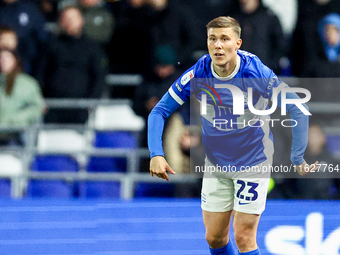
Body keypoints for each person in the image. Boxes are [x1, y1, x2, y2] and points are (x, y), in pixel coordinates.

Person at [148, 16, 319, 255]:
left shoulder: (255, 71)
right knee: (215, 238)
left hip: (253, 162)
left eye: (224, 39)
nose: (218, 45)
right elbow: (159, 111)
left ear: (237, 43)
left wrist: (298, 157)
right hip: (216, 164)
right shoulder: (199, 71)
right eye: (212, 39)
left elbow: (298, 108)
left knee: (243, 236)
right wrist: (156, 153)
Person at [36, 5, 107, 124]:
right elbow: (40, 73)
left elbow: (99, 76)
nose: (69, 22)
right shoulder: (50, 45)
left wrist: (91, 102)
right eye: (66, 18)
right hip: (53, 107)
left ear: (81, 20)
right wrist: (40, 99)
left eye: (73, 18)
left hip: (80, 109)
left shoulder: (92, 48)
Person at [0, 48, 45, 145]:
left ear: (15, 60)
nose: (2, 61)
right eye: (1, 58)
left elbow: (37, 107)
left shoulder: (27, 84)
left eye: (6, 58)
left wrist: (15, 120)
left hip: (16, 134)